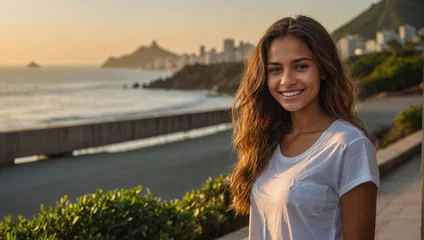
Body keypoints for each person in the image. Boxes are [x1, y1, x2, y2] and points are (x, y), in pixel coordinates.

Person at [228, 15, 380, 240]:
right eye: (275, 69)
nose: (287, 80)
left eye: (301, 66)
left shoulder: (349, 145)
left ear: (324, 69)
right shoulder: (268, 140)